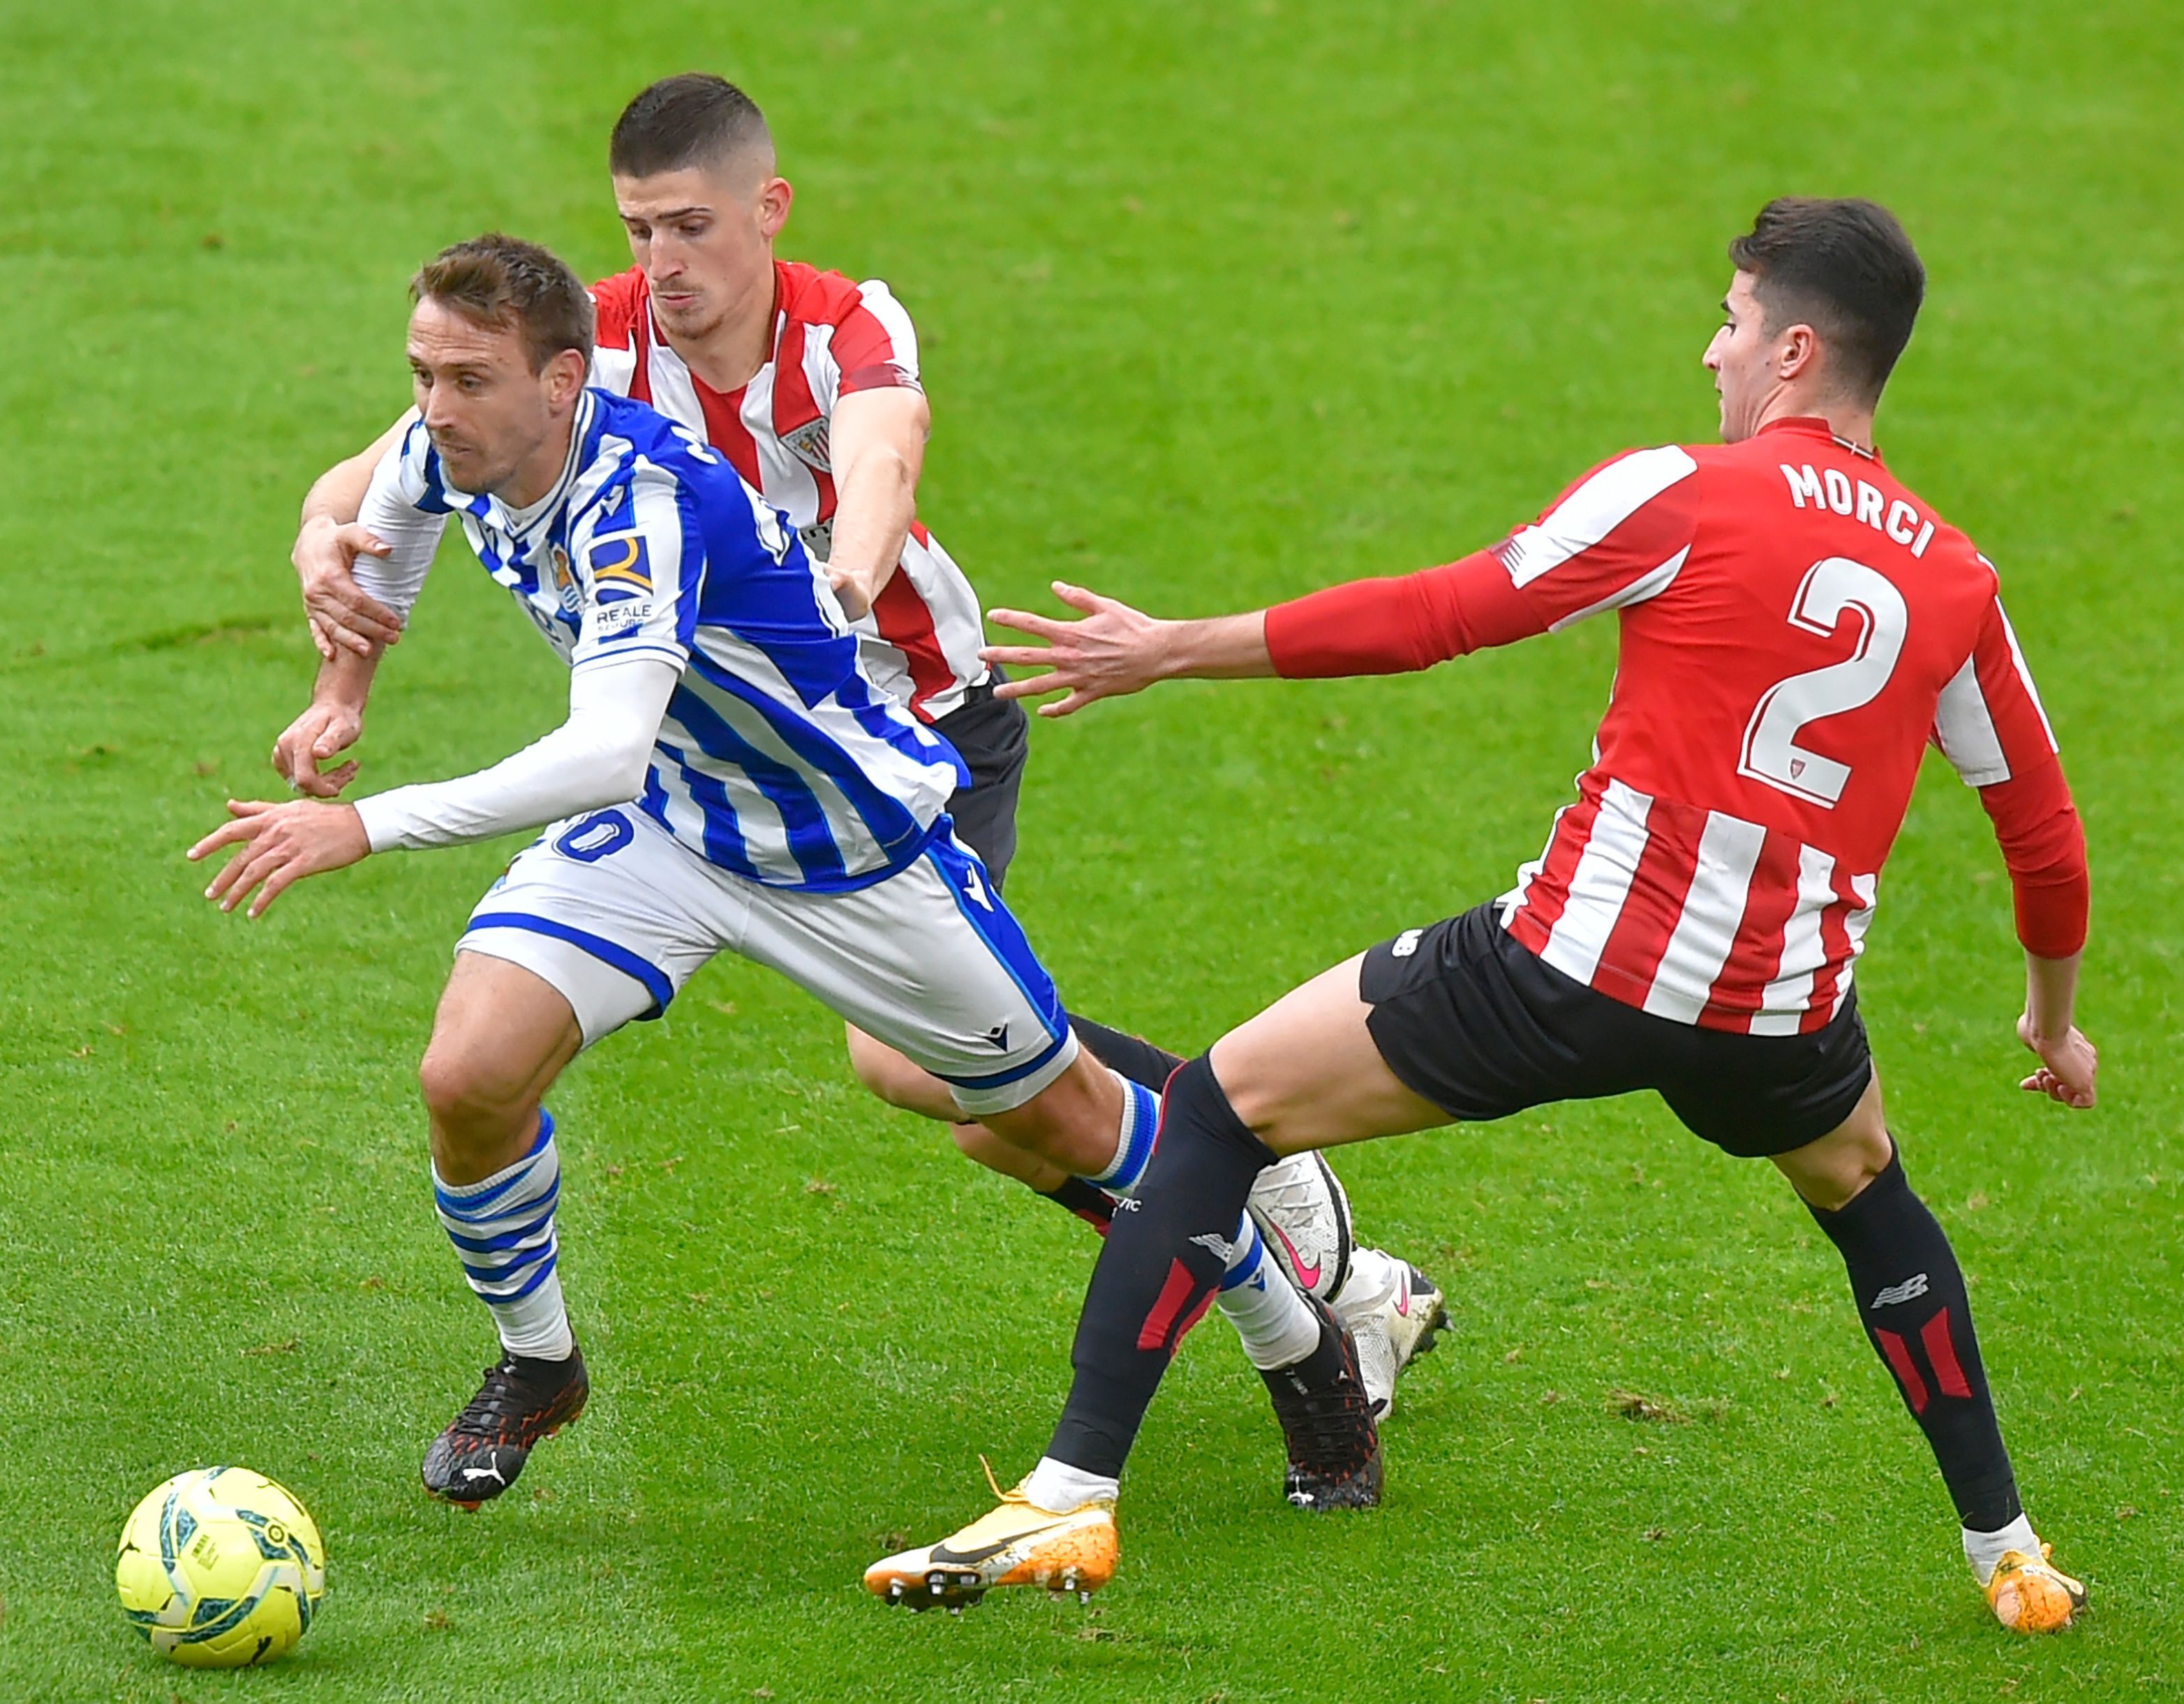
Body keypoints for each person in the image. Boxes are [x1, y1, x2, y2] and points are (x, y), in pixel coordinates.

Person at [868, 198, 2097, 1636]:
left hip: (1567, 971)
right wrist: (2052, 1023)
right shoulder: (1956, 578)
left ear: (1795, 351)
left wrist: (1174, 648)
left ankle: (1071, 1493)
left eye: (1731, 322)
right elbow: (2044, 835)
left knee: (1217, 1107)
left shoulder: (1681, 492)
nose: (1711, 352)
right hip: (1776, 1017)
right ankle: (2010, 1554)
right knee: (1870, 1197)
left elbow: (1441, 614)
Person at [284, 75, 1446, 1412]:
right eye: (639, 229)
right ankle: (1284, 1235)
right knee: (984, 1106)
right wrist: (322, 550)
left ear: (768, 210)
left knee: (948, 1084)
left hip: (905, 729)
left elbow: (885, 453)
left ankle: (1270, 1195)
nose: (662, 262)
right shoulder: (580, 346)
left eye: (691, 226)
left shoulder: (844, 324)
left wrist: (844, 576)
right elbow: (379, 477)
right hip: (706, 770)